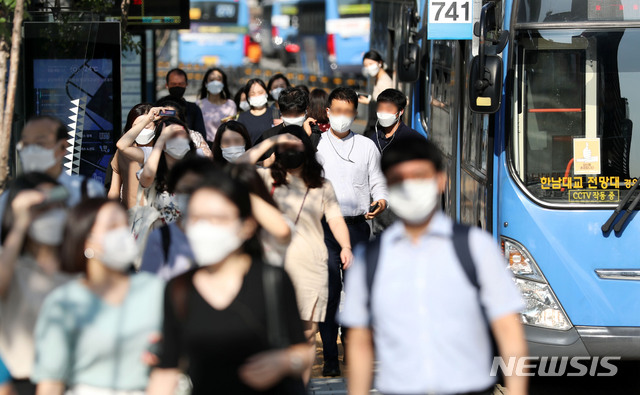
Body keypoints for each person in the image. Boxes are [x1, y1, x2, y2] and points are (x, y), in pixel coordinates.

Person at [341, 136, 528, 395]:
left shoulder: (475, 247)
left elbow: (509, 329)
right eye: (399, 180)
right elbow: (360, 341)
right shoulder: (369, 259)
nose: (409, 186)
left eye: (419, 176)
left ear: (440, 180)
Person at [147, 172, 312, 395]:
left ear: (247, 226)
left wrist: (284, 361)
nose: (205, 228)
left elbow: (303, 351)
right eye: (196, 218)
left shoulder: (272, 279)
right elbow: (166, 370)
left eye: (218, 218)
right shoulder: (178, 289)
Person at [240, 125, 353, 383]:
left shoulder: (322, 185)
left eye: (295, 144)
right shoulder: (266, 178)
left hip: (310, 266)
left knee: (305, 335)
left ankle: (299, 388)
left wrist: (345, 246)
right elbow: (236, 168)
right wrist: (271, 142)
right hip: (270, 265)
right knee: (269, 331)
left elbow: (335, 220)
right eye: (285, 146)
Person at [31, 198, 165, 395]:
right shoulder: (64, 302)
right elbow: (50, 384)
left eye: (124, 226)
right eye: (112, 227)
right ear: (86, 238)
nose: (122, 234)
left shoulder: (155, 290)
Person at [316, 87, 388, 377]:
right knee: (330, 293)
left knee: (356, 292)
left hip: (358, 226)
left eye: (348, 112)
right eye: (338, 111)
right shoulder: (316, 145)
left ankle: (351, 345)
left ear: (355, 114)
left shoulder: (367, 146)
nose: (342, 118)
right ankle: (330, 357)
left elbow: (378, 182)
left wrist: (381, 201)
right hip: (324, 229)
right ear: (328, 112)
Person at [0, 173, 73, 395]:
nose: (51, 212)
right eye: (41, 206)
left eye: (57, 204)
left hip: (75, 381)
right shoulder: (11, 262)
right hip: (22, 382)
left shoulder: (77, 264)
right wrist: (21, 222)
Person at [0, 116, 106, 239]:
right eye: (26, 144)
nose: (31, 150)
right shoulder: (9, 199)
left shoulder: (88, 191)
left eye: (40, 143)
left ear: (63, 147)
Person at [366, 88, 426, 235]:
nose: (383, 113)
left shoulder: (413, 139)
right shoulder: (373, 139)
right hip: (381, 210)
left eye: (389, 109)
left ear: (400, 112)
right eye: (380, 109)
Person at [139, 117, 198, 225]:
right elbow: (147, 176)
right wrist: (161, 138)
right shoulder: (154, 172)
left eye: (182, 135)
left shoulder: (197, 171)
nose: (179, 140)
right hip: (159, 237)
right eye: (172, 136)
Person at [254, 88, 321, 166]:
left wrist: (306, 137)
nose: (292, 118)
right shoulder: (268, 136)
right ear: (281, 112)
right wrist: (269, 161)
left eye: (297, 114)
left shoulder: (315, 134)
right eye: (288, 114)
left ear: (307, 110)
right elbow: (249, 165)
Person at [109, 103, 154, 209]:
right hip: (130, 216)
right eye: (138, 127)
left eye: (147, 125)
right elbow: (114, 190)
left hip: (158, 216)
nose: (143, 130)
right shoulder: (122, 153)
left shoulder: (162, 150)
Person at [197, 67, 237, 143]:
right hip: (204, 146)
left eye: (218, 79)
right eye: (211, 80)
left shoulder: (230, 105)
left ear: (223, 83)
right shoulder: (199, 104)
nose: (215, 83)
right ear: (206, 83)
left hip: (224, 145)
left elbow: (232, 127)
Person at [359, 51, 394, 134]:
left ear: (380, 63)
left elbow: (387, 102)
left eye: (371, 64)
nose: (368, 68)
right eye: (366, 65)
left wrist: (369, 102)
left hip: (380, 125)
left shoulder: (384, 81)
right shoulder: (377, 78)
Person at [164, 68, 206, 135]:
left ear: (186, 84)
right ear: (167, 85)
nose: (177, 86)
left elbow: (201, 135)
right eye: (173, 84)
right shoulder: (159, 107)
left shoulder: (194, 109)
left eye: (180, 84)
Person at [237, 79, 274, 144]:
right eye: (253, 93)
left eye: (260, 92)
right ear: (248, 96)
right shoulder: (242, 118)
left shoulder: (276, 114)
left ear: (266, 93)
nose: (257, 96)